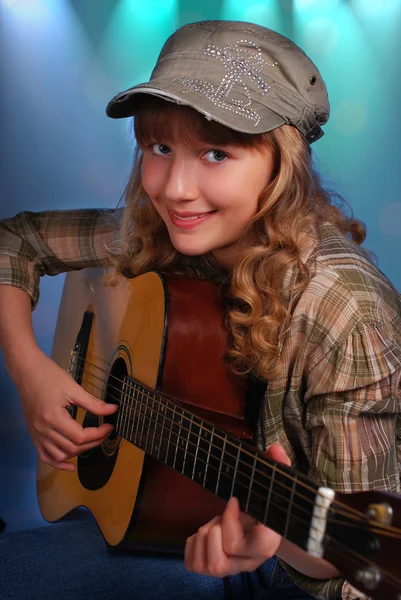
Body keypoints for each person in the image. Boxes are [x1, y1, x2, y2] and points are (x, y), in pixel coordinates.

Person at [0, 19, 400, 600]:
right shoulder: (161, 231)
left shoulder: (346, 315)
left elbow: (369, 581)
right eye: (159, 148)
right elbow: (18, 240)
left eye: (217, 153)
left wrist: (276, 542)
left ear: (280, 166)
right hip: (176, 520)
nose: (176, 188)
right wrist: (28, 367)